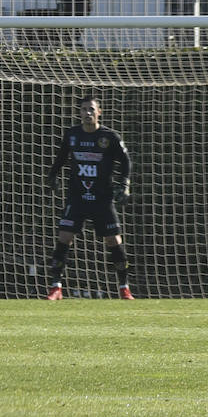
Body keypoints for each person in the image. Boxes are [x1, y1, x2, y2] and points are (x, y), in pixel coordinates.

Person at [44, 96, 134, 300]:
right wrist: (53, 175)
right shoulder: (72, 135)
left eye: (91, 109)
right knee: (64, 237)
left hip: (102, 198)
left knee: (114, 240)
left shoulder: (109, 137)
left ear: (99, 112)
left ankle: (124, 287)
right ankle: (56, 287)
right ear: (80, 112)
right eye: (84, 109)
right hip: (77, 197)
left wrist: (124, 184)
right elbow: (61, 157)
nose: (87, 113)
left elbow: (126, 161)